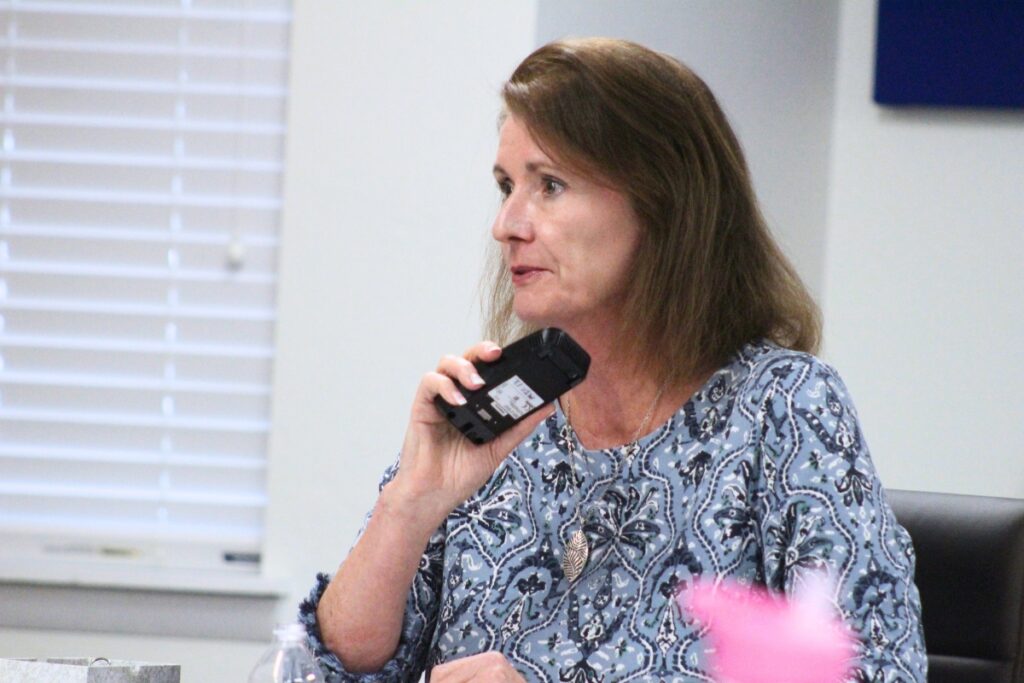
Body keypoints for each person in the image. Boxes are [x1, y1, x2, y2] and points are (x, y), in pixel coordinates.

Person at [300, 38, 928, 682]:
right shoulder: (501, 411)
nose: (507, 224)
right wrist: (409, 502)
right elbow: (336, 668)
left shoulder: (783, 407)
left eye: (549, 185)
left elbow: (878, 670)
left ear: (660, 204)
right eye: (506, 186)